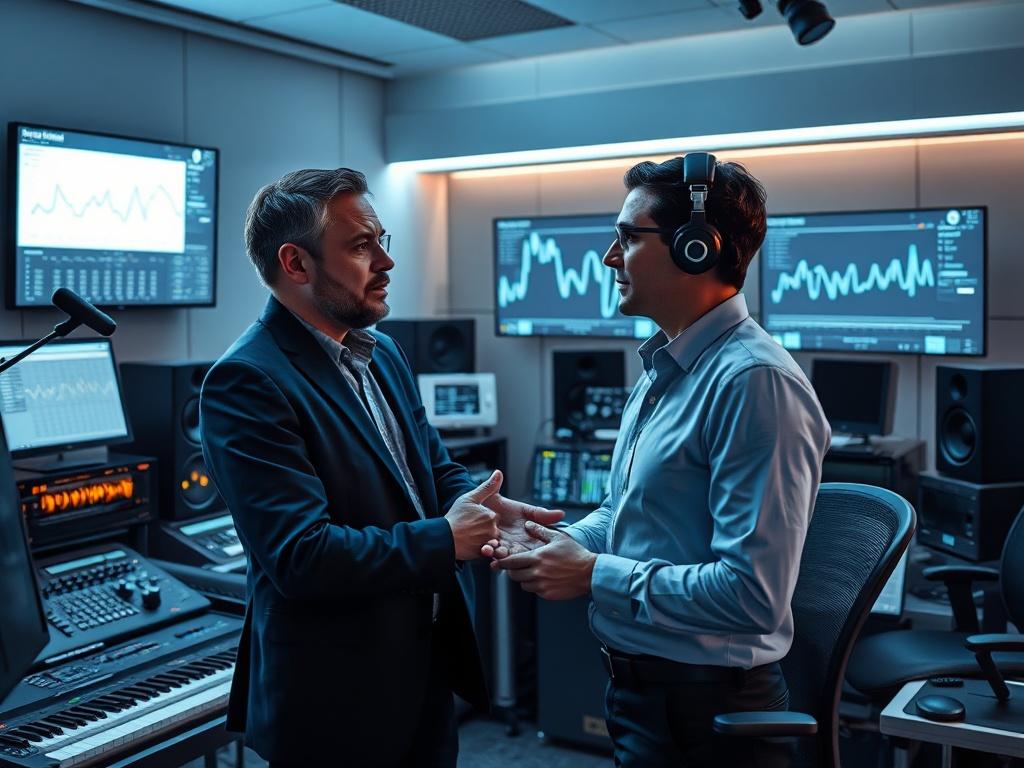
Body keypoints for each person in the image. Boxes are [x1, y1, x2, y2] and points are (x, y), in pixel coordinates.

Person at [200, 168, 562, 768]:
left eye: (382, 241)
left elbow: (431, 471)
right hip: (335, 705)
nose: (386, 263)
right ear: (296, 263)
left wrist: (485, 503)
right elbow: (301, 556)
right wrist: (446, 538)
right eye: (362, 245)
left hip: (421, 670)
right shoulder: (248, 382)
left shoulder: (382, 351)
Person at [490, 154, 831, 767]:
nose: (609, 257)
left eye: (627, 237)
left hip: (709, 717)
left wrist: (593, 574)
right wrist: (554, 540)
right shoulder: (665, 369)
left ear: (697, 247)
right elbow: (630, 515)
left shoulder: (755, 383)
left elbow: (753, 597)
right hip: (644, 696)